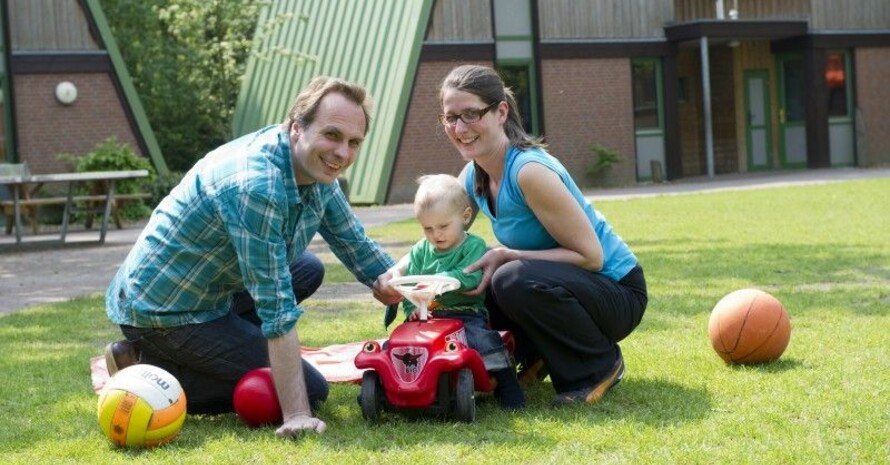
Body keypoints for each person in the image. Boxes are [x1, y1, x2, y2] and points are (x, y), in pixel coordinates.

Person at [104, 76, 401, 437]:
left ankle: (226, 353)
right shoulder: (257, 186)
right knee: (313, 389)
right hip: (164, 309)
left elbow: (353, 240)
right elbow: (274, 305)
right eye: (332, 135)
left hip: (210, 288)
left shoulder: (316, 172)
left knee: (307, 269)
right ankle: (144, 370)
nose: (343, 153)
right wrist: (295, 413)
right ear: (297, 128)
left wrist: (391, 279)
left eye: (354, 142)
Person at [437, 64, 648, 405]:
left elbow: (590, 257)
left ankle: (598, 365)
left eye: (471, 115)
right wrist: (398, 274)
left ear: (501, 111)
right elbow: (441, 232)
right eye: (450, 117)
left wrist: (508, 254)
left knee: (509, 278)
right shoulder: (473, 175)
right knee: (471, 283)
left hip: (617, 293)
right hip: (568, 287)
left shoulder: (529, 171)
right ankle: (537, 355)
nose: (459, 128)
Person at [386, 174, 524, 410]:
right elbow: (411, 287)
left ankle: (507, 385)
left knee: (483, 340)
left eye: (443, 226)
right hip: (426, 317)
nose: (436, 235)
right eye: (427, 228)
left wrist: (442, 280)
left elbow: (471, 277)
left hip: (464, 314)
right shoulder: (421, 250)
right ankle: (385, 386)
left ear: (465, 216)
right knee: (395, 346)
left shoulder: (473, 246)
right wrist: (410, 309)